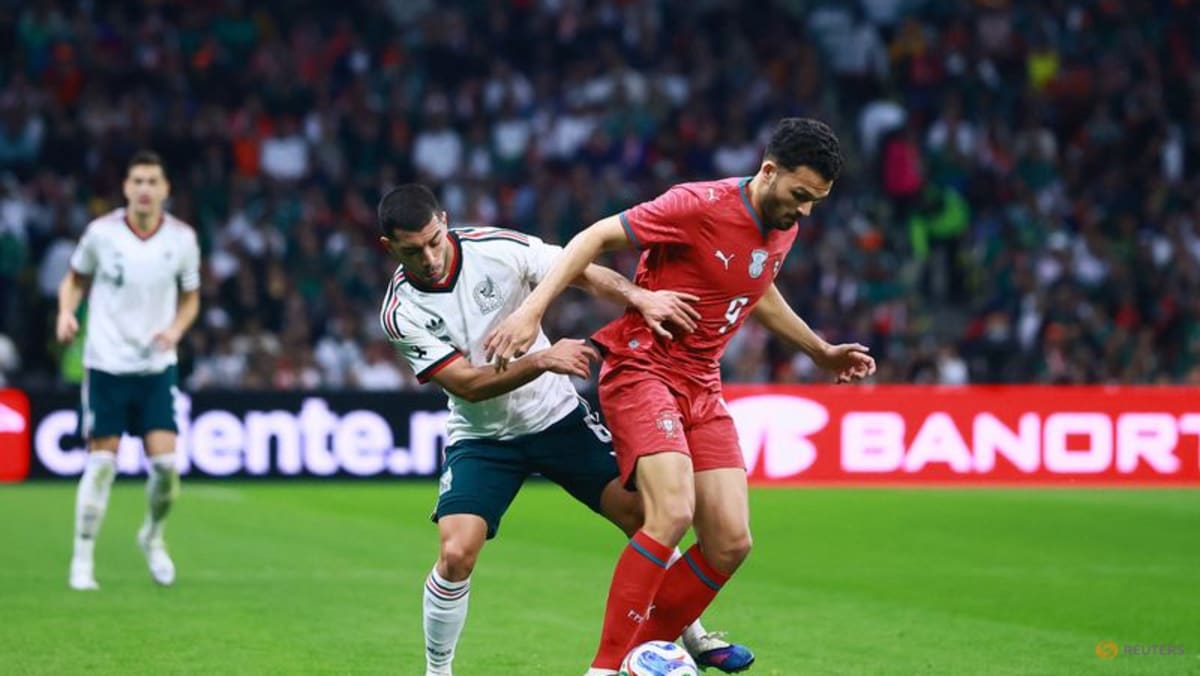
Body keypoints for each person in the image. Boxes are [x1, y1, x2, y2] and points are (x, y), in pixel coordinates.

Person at [484, 118, 877, 674]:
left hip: (702, 383)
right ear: (769, 172)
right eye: (800, 195)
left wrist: (818, 350)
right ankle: (606, 668)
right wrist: (530, 313)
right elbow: (594, 237)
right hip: (644, 369)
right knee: (669, 513)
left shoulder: (782, 222)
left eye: (817, 201)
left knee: (730, 543)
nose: (805, 211)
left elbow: (754, 284)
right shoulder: (696, 204)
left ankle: (642, 654)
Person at [375, 184, 755, 676]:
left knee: (650, 515)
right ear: (389, 248)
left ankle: (694, 638)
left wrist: (639, 295)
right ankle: (438, 670)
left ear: (444, 220)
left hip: (557, 419)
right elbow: (467, 385)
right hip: (483, 438)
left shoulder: (497, 248)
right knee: (455, 553)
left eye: (433, 240)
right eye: (413, 250)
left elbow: (579, 268)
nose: (428, 257)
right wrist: (543, 359)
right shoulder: (400, 312)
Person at [56, 150, 201, 590]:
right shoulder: (101, 234)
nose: (144, 189)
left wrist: (176, 329)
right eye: (137, 180)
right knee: (101, 463)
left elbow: (191, 296)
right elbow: (75, 279)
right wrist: (66, 312)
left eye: (152, 181)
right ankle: (82, 559)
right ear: (125, 187)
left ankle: (152, 536)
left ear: (165, 189)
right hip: (106, 363)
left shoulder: (182, 239)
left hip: (156, 366)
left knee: (165, 468)